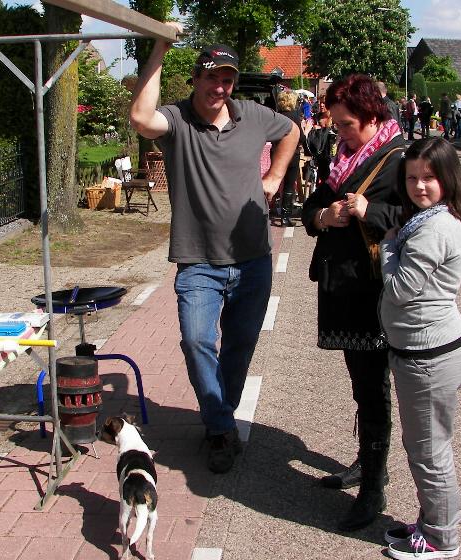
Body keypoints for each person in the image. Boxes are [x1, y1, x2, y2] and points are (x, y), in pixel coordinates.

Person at [130, 30, 299, 474]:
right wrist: (160, 47)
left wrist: (275, 177)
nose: (219, 87)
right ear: (196, 78)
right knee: (197, 341)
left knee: (239, 347)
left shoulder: (253, 115)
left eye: (226, 79)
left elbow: (292, 130)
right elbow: (141, 118)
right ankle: (222, 426)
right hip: (198, 262)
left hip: (252, 259)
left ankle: (218, 422)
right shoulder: (177, 119)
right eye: (211, 77)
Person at [301, 74, 404, 531]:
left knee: (373, 386)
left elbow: (420, 216)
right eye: (337, 123)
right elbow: (311, 209)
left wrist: (369, 212)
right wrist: (324, 216)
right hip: (342, 286)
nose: (339, 132)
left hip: (373, 292)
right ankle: (367, 463)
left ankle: (374, 488)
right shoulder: (343, 159)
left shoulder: (399, 160)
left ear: (372, 117)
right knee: (361, 384)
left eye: (346, 124)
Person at [379, 137, 461, 559]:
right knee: (428, 446)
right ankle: (431, 520)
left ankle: (440, 538)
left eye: (429, 177)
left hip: (428, 358)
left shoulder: (432, 229)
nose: (419, 186)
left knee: (429, 452)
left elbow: (400, 289)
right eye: (412, 178)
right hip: (432, 350)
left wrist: (387, 247)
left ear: (448, 178)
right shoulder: (437, 218)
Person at [274, 90, 306, 226]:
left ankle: (267, 207)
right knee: (289, 184)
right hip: (292, 153)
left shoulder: (275, 115)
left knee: (275, 180)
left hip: (276, 152)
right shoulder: (294, 116)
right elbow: (301, 137)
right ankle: (285, 217)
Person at [305, 110, 337, 188]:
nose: (322, 105)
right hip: (320, 155)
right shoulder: (316, 117)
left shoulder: (334, 119)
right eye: (320, 103)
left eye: (324, 104)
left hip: (328, 156)